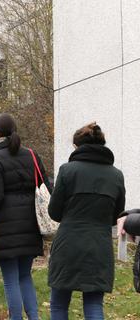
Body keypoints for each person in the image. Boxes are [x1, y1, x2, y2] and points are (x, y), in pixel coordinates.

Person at [47, 123, 125, 320]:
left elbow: (54, 212)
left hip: (68, 244)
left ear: (77, 146)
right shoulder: (116, 175)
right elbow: (117, 214)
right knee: (93, 304)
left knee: (58, 304)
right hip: (99, 245)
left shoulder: (67, 171)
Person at [0, 113, 50, 320]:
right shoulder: (31, 154)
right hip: (31, 223)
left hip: (6, 226)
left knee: (10, 279)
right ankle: (34, 317)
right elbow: (46, 186)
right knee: (25, 276)